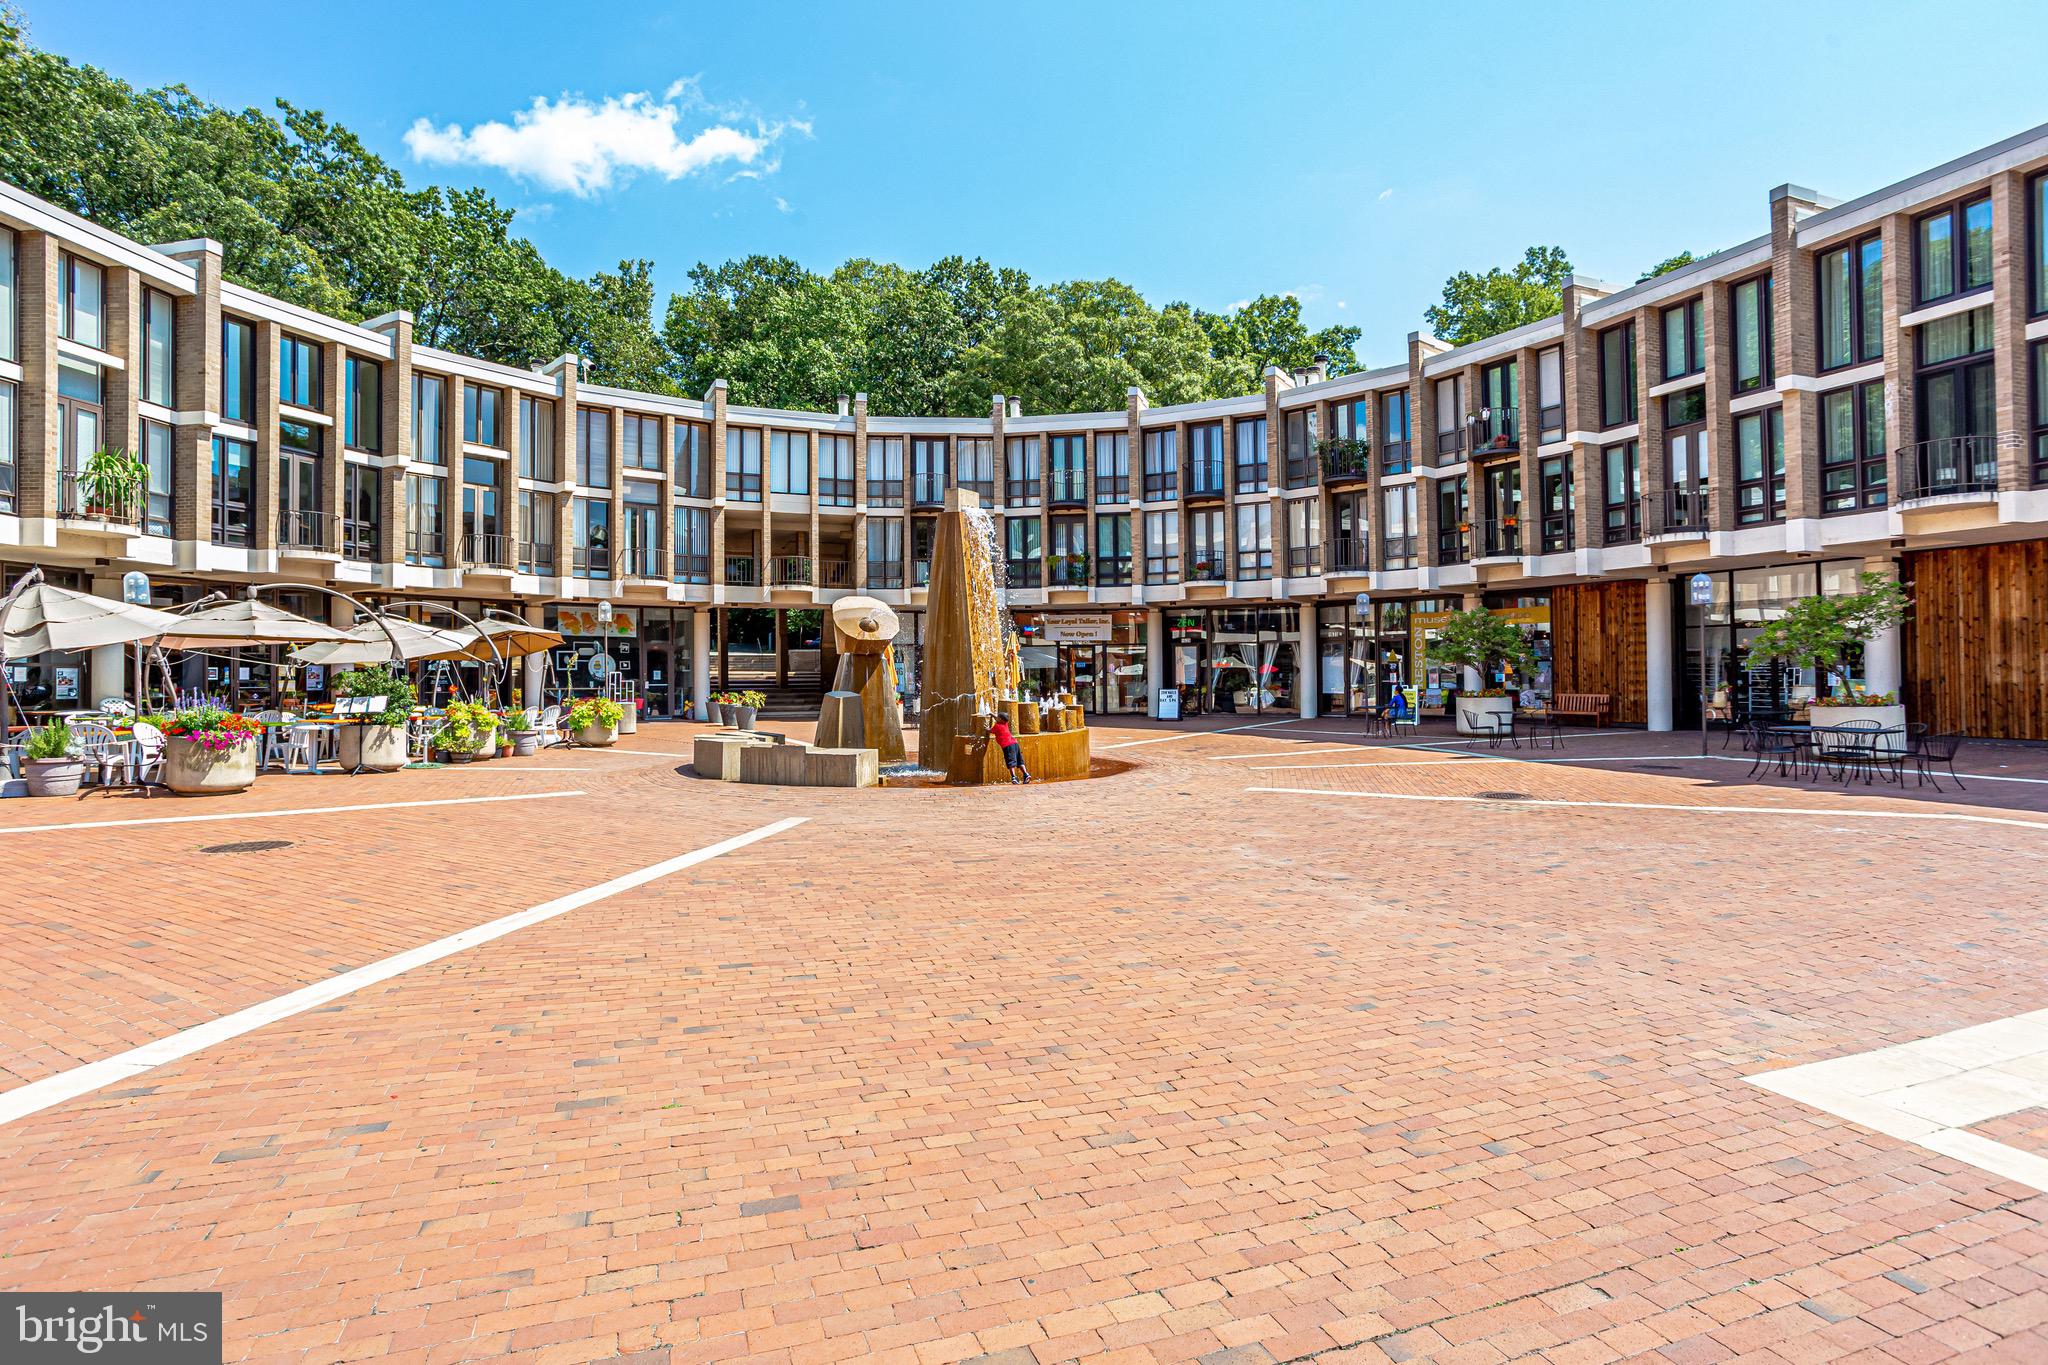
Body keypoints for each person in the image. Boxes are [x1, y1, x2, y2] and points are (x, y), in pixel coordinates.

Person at [989, 714, 1032, 784]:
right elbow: (997, 718)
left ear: (1001, 719)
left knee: (1010, 762)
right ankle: (1026, 774)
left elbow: (990, 731)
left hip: (1008, 746)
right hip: (1015, 744)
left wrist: (984, 728)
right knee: (1019, 761)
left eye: (998, 718)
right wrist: (991, 714)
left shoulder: (997, 726)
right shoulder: (1005, 724)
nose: (996, 718)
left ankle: (1014, 777)